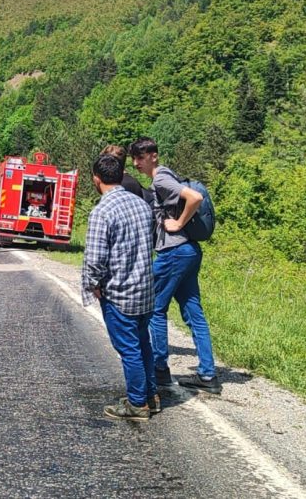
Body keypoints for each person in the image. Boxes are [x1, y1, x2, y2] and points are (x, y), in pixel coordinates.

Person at [129, 137, 221, 394]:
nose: (137, 162)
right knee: (194, 313)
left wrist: (178, 223)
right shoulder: (166, 177)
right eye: (134, 158)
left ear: (153, 156)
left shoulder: (161, 178)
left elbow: (194, 198)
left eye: (141, 157)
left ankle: (160, 369)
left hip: (174, 252)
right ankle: (207, 374)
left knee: (155, 308)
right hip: (189, 252)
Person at [82, 151, 158, 420]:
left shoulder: (102, 211)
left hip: (120, 293)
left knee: (128, 349)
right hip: (145, 290)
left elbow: (95, 258)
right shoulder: (141, 204)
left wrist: (93, 285)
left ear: (96, 179)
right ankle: (151, 395)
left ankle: (137, 404)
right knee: (143, 343)